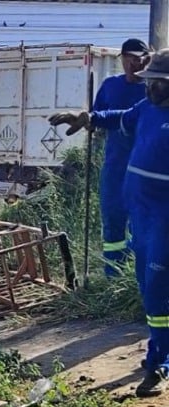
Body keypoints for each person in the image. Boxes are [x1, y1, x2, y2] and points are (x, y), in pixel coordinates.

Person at [49, 47, 169, 397]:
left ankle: (159, 364)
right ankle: (159, 354)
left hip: (164, 220)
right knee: (149, 290)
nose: (149, 88)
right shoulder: (147, 108)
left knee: (159, 294)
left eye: (157, 83)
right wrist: (87, 117)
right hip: (142, 217)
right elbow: (119, 116)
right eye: (149, 82)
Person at [92, 38, 151, 277]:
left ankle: (139, 276)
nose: (133, 63)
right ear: (122, 59)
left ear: (147, 59)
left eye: (138, 58)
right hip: (115, 166)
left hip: (145, 167)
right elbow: (100, 116)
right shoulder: (110, 86)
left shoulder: (153, 90)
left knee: (142, 223)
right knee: (113, 220)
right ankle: (114, 275)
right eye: (128, 58)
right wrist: (88, 121)